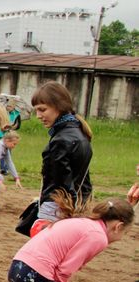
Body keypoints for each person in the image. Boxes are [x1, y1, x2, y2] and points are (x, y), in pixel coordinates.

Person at [30, 82, 93, 237]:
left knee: (41, 255)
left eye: (42, 109)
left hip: (56, 208)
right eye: (36, 110)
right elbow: (83, 180)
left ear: (59, 105)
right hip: (75, 205)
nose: (38, 116)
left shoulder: (61, 140)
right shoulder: (81, 134)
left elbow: (60, 181)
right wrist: (79, 205)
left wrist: (63, 207)